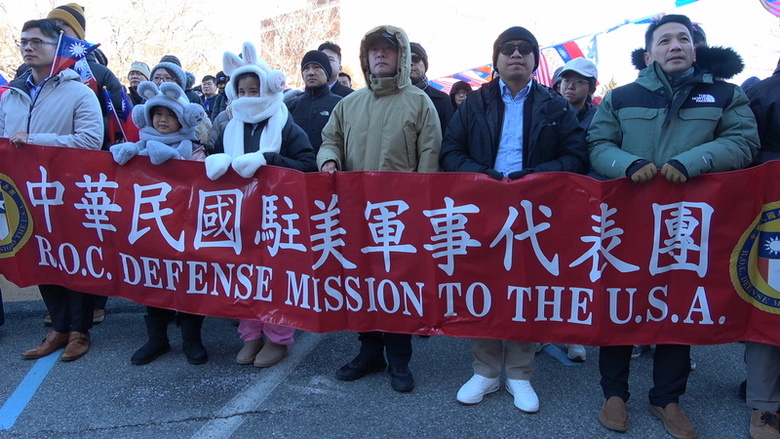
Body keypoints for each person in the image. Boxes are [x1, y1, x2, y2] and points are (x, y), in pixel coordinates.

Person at [588, 14, 758, 439]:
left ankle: (667, 397)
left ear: (695, 49)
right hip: (628, 218)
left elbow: (743, 142)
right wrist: (627, 164)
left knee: (678, 301)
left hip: (689, 221)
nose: (675, 45)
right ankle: (614, 393)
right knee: (621, 297)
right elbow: (597, 143)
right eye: (664, 40)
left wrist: (693, 161)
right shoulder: (622, 96)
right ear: (649, 55)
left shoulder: (726, 94)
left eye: (683, 38)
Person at [440, 26, 587, 413]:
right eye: (508, 49)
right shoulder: (475, 102)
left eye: (524, 49)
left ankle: (520, 374)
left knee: (525, 289)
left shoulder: (555, 105)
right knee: (482, 287)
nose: (516, 54)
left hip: (534, 211)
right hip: (482, 208)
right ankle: (486, 371)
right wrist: (481, 176)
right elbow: (450, 151)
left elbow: (576, 156)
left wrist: (536, 176)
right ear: (497, 59)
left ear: (535, 59)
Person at [317, 25, 441, 393]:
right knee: (361, 282)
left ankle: (399, 359)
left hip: (400, 217)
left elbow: (430, 156)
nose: (381, 55)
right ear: (365, 58)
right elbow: (330, 139)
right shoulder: (349, 104)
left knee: (396, 285)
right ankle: (369, 352)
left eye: (388, 49)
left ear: (402, 55)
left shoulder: (420, 102)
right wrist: (328, 160)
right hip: (355, 212)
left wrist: (421, 209)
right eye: (374, 50)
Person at [209, 43, 316, 367]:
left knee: (275, 279)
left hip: (277, 218)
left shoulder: (285, 125)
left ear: (268, 88)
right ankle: (250, 334)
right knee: (243, 277)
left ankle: (278, 338)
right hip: (240, 217)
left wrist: (269, 160)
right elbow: (215, 161)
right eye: (241, 91)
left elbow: (308, 164)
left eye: (253, 90)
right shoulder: (230, 128)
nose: (247, 97)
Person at [4, 19, 103, 361]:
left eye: (36, 41)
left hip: (69, 192)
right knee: (41, 256)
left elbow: (91, 141)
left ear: (57, 47)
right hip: (26, 193)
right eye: (23, 42)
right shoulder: (12, 95)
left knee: (75, 258)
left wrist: (35, 141)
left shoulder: (80, 92)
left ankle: (80, 330)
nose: (27, 47)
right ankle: (59, 327)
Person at [744, 56, 780, 439]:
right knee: (771, 304)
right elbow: (746, 151)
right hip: (774, 219)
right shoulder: (765, 92)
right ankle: (764, 404)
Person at [47, 3, 123, 149]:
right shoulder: (29, 70)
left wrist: (85, 127)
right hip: (36, 150)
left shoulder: (100, 74)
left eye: (64, 24)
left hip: (85, 153)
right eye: (51, 24)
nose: (56, 28)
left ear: (78, 35)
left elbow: (120, 116)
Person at [286, 50, 341, 152]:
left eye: (316, 67)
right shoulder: (289, 106)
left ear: (327, 73)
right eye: (306, 68)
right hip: (294, 162)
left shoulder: (340, 105)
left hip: (329, 161)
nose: (310, 73)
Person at [410, 42, 453, 135]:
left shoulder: (442, 100)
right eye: (405, 60)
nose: (410, 63)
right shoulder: (391, 98)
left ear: (425, 65)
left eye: (415, 59)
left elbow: (450, 137)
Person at [559, 57, 599, 130]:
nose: (570, 86)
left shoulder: (597, 119)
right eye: (567, 80)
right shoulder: (546, 111)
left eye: (579, 82)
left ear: (591, 90)